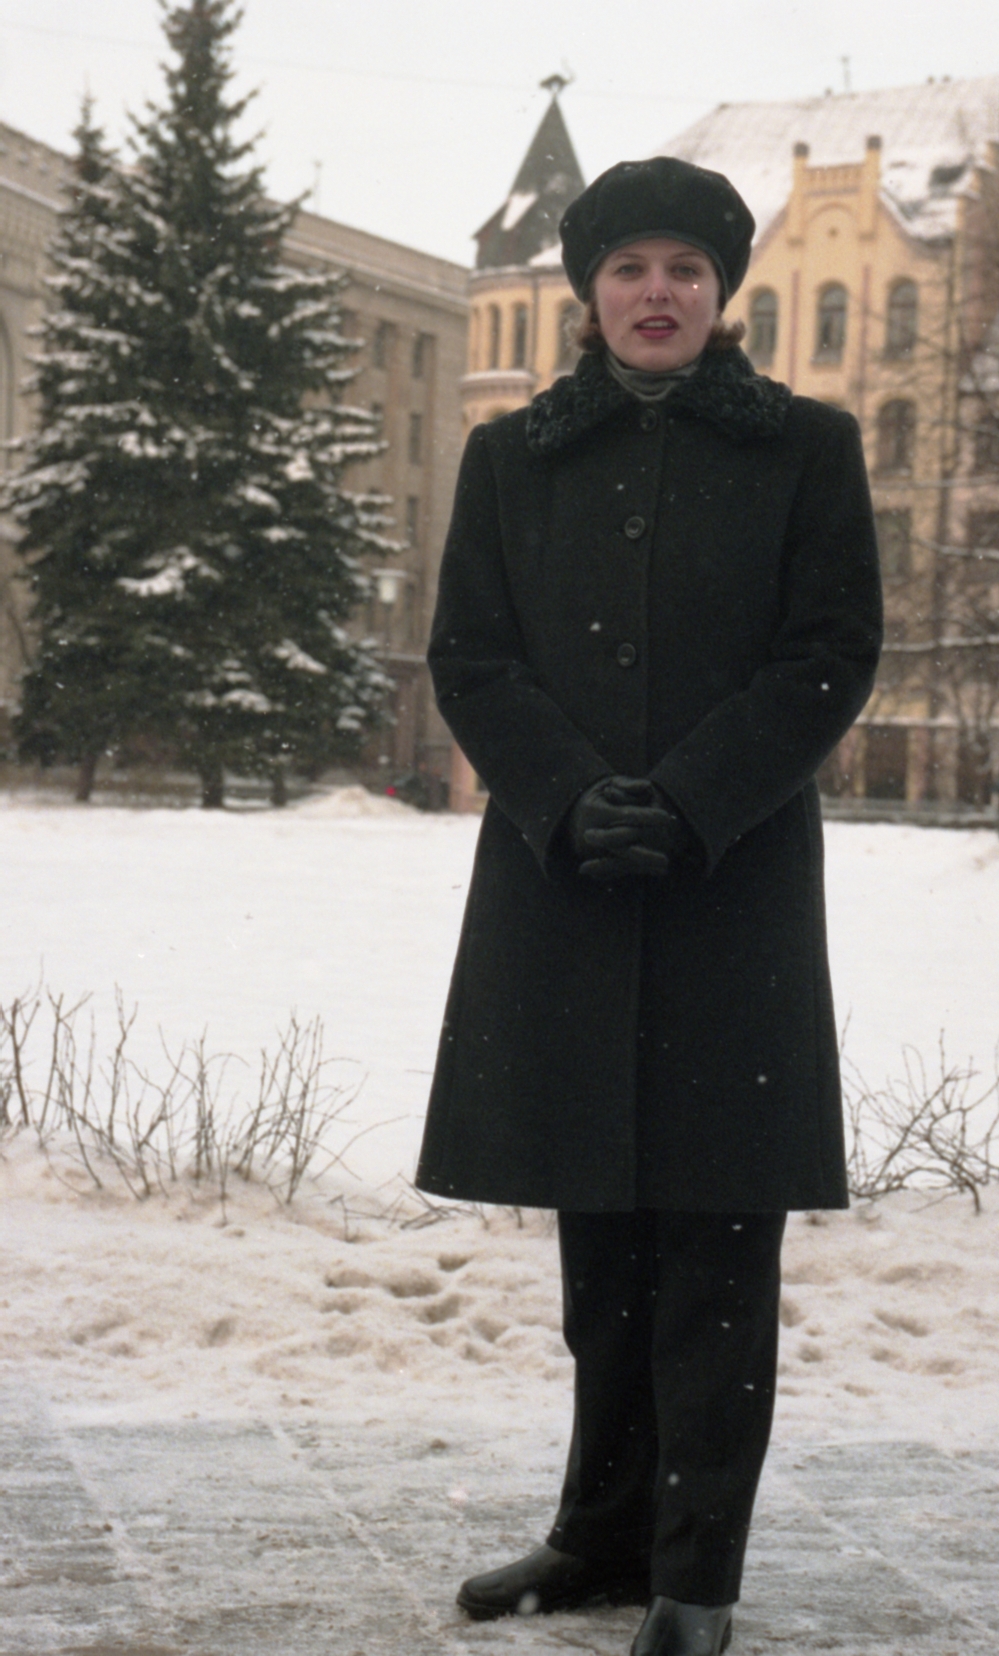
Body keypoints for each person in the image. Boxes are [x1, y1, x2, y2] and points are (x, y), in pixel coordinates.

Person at [415, 156, 882, 1656]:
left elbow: (829, 652)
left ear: (722, 292)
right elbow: (472, 658)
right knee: (600, 1248)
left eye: (685, 268)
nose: (657, 292)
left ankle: (697, 1578)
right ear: (591, 291)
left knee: (717, 1250)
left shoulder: (807, 448)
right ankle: (601, 1535)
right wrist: (565, 797)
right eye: (629, 268)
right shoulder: (512, 457)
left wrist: (690, 799)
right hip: (565, 886)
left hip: (729, 894)